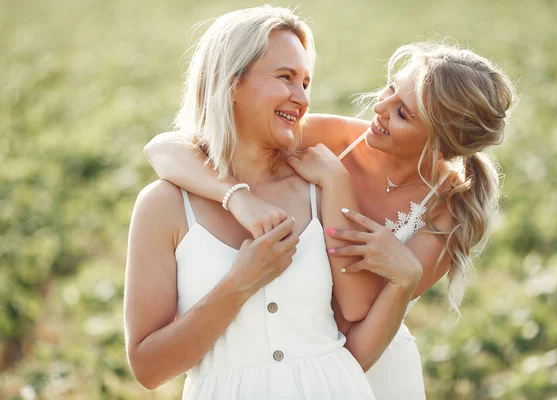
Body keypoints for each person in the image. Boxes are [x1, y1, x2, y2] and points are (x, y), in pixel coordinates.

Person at [144, 32, 517, 398]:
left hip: (369, 369)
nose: (380, 108)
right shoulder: (331, 140)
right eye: (390, 89)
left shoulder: (447, 216)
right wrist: (236, 197)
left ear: (440, 141)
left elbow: (357, 317)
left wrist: (336, 184)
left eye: (402, 112)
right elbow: (165, 148)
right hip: (292, 366)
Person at [125, 5, 422, 399]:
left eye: (305, 82)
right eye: (285, 78)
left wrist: (404, 285)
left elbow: (356, 325)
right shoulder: (163, 206)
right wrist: (240, 282)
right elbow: (148, 368)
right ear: (233, 83)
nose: (301, 98)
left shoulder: (320, 191)